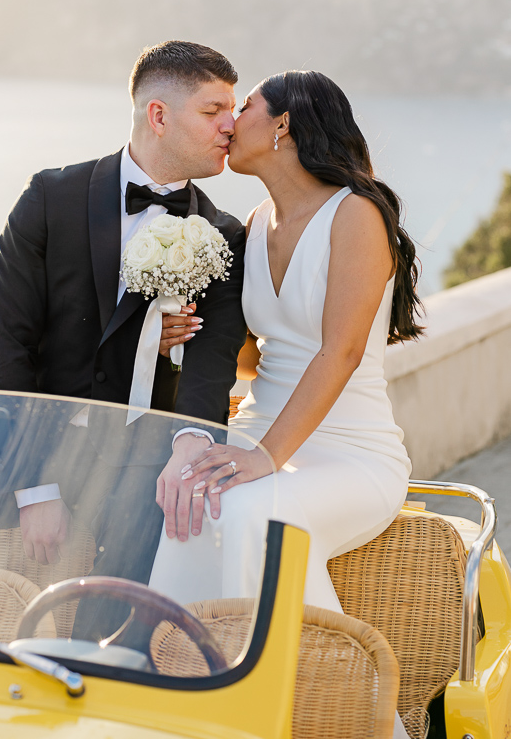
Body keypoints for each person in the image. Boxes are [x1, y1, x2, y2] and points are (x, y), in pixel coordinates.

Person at [0, 41, 248, 629]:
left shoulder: (222, 233)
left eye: (232, 111)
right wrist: (35, 487)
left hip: (138, 461)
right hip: (33, 441)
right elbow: (7, 341)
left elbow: (211, 365)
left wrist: (189, 443)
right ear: (158, 116)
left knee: (106, 621)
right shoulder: (49, 198)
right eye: (214, 112)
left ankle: (81, 674)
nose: (230, 127)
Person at [149, 68, 423, 618]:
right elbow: (255, 359)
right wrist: (179, 330)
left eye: (244, 107)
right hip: (257, 429)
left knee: (257, 515)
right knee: (190, 495)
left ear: (283, 124)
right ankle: (175, 660)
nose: (229, 123)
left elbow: (340, 352)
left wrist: (267, 457)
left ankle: (332, 691)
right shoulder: (254, 223)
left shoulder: (356, 213)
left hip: (350, 448)